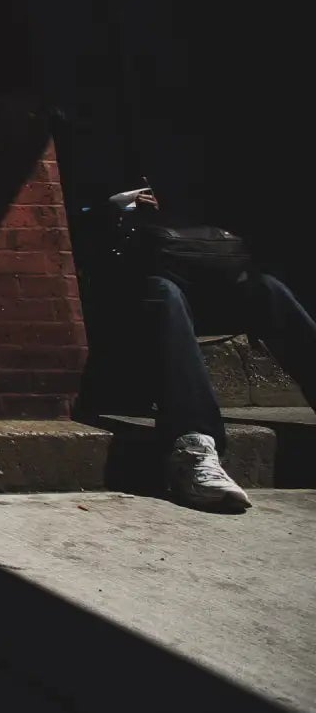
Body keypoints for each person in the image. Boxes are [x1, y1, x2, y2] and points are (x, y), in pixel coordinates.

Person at [111, 185, 316, 512]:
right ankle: (192, 448)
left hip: (200, 280)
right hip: (126, 296)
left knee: (269, 290)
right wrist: (124, 207)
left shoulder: (187, 168)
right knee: (164, 294)